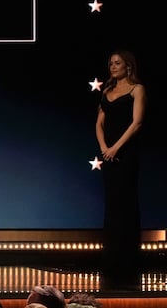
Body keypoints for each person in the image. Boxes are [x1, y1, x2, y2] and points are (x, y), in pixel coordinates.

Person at [94, 49, 146, 289]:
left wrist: (116, 147)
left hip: (126, 154)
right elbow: (99, 124)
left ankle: (128, 261)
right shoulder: (106, 92)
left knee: (126, 204)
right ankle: (112, 260)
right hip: (109, 156)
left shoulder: (137, 90)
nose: (113, 66)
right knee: (112, 205)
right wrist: (105, 147)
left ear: (128, 66)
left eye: (117, 63)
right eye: (110, 63)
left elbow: (137, 123)